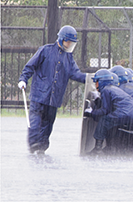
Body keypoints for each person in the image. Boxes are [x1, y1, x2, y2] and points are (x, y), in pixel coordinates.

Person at [18, 25, 86, 154]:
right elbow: (30, 66)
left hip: (54, 99)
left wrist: (91, 78)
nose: (70, 45)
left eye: (72, 43)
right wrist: (23, 79)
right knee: (35, 121)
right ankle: (34, 145)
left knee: (48, 124)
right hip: (39, 95)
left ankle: (42, 148)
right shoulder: (45, 50)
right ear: (61, 39)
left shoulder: (69, 58)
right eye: (68, 42)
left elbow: (76, 74)